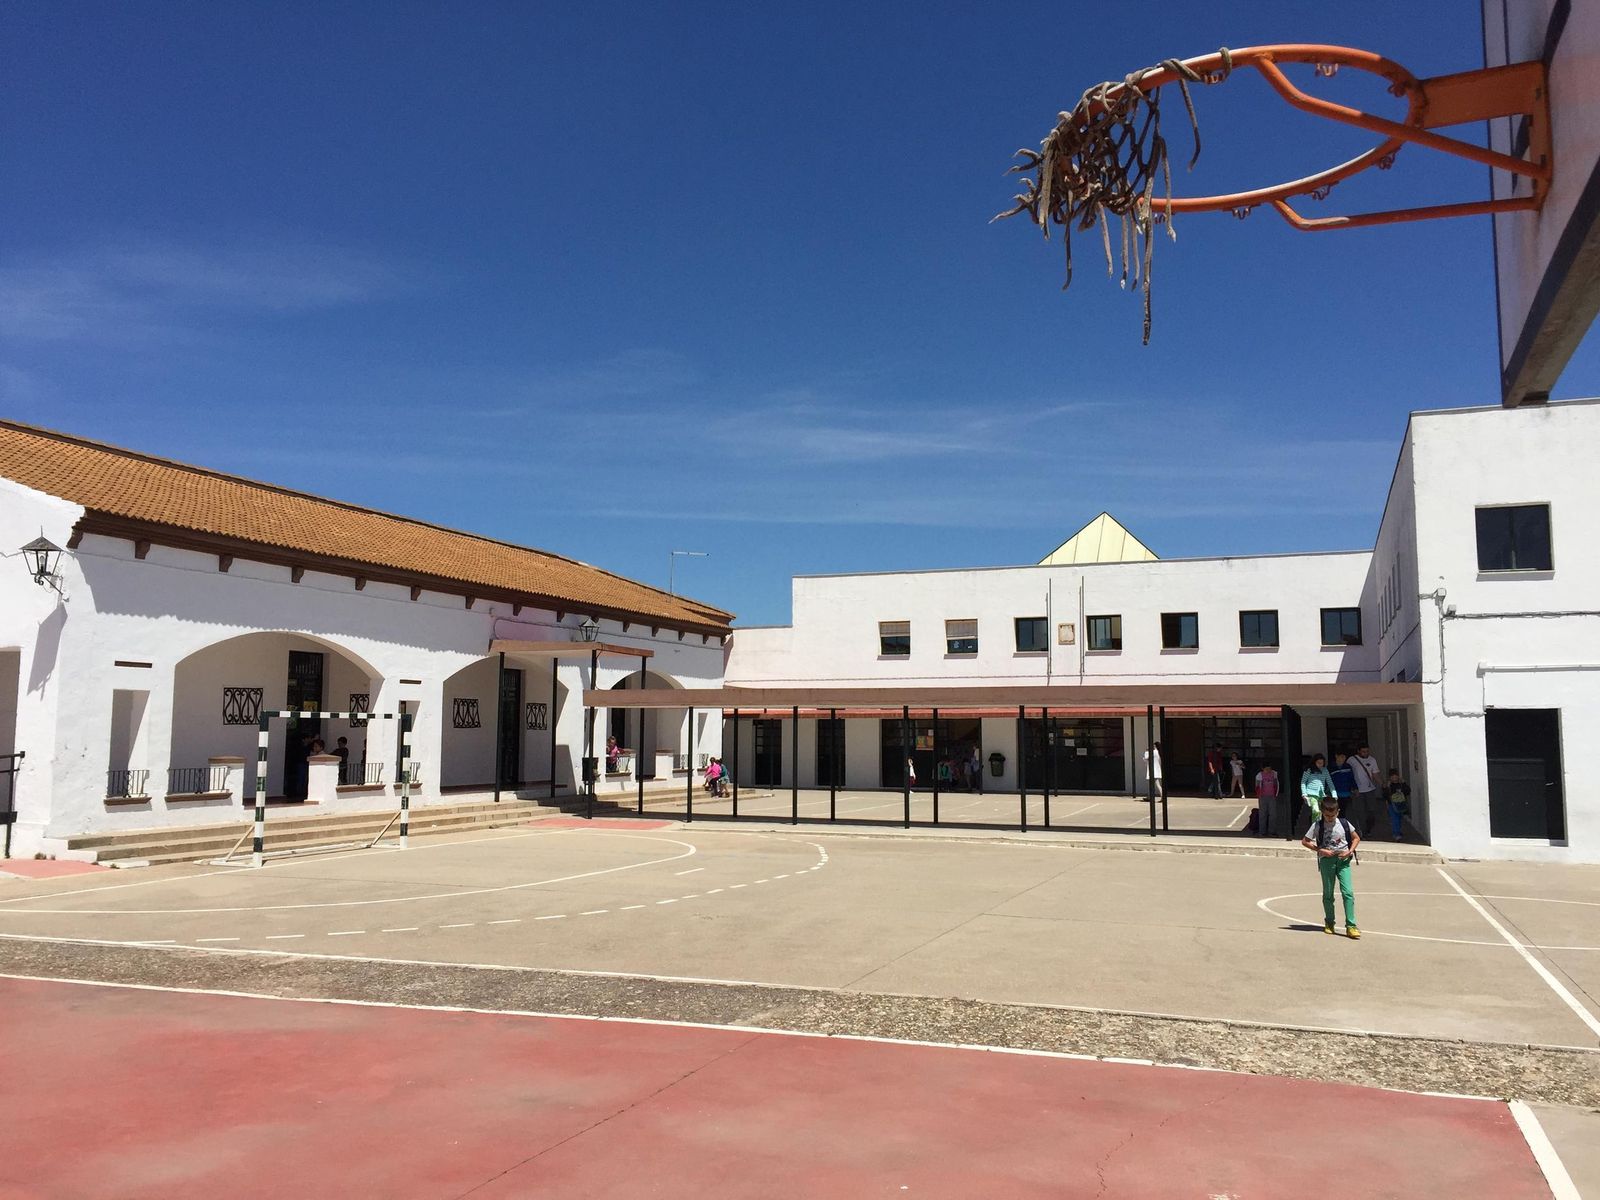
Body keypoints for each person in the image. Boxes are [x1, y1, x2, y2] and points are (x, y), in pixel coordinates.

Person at [1302, 794, 1361, 938]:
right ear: (1322, 812)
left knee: (1348, 892)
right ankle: (1329, 922)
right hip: (1327, 861)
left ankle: (1351, 926)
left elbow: (1356, 838)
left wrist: (1350, 851)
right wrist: (1320, 850)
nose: (1330, 818)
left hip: (1343, 861)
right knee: (1328, 893)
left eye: (1332, 815)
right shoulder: (1317, 825)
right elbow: (1305, 841)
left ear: (1337, 812)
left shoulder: (1344, 823)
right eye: (1327, 815)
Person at [1349, 743, 1383, 838]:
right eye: (1363, 751)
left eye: (1367, 751)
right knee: (1360, 812)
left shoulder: (1372, 760)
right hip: (1357, 791)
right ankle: (1362, 831)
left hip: (1370, 789)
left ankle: (1368, 829)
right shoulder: (1351, 760)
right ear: (1358, 751)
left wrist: (1382, 784)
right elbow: (1348, 775)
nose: (1366, 753)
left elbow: (1375, 774)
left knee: (1371, 811)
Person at [1300, 753, 1335, 818]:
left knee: (1323, 812)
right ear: (1314, 762)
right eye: (1318, 763)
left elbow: (1330, 782)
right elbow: (1303, 782)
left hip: (1321, 795)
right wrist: (1304, 794)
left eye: (1322, 763)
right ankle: (1315, 826)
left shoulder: (1325, 770)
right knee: (1316, 811)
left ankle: (1318, 826)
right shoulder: (1309, 770)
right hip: (1311, 794)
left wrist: (1334, 794)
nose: (1320, 765)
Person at [1385, 768, 1411, 842]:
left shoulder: (1401, 784)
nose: (1394, 778)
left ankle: (1398, 832)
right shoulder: (1389, 786)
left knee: (1399, 818)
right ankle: (1396, 834)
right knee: (1395, 819)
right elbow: (1385, 795)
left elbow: (1408, 791)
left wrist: (1404, 783)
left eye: (1395, 776)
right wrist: (1387, 787)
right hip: (1392, 804)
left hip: (1401, 804)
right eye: (1392, 776)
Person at [1254, 763, 1280, 836]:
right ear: (1263, 769)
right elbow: (1257, 785)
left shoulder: (1274, 774)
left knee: (1273, 814)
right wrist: (1259, 794)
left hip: (1272, 796)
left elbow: (1276, 783)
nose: (1268, 771)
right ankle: (1262, 831)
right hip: (1263, 796)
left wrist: (1276, 793)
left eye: (1269, 769)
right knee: (1262, 814)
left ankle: (1272, 831)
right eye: (1266, 769)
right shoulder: (1259, 775)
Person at [1330, 751, 1356, 817]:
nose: (1344, 758)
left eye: (1345, 757)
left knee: (1342, 811)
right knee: (1333, 811)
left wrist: (1355, 788)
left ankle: (1341, 825)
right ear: (1336, 756)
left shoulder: (1348, 766)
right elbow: (1327, 780)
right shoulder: (1331, 767)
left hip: (1345, 793)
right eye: (1342, 756)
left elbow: (1352, 778)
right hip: (1334, 793)